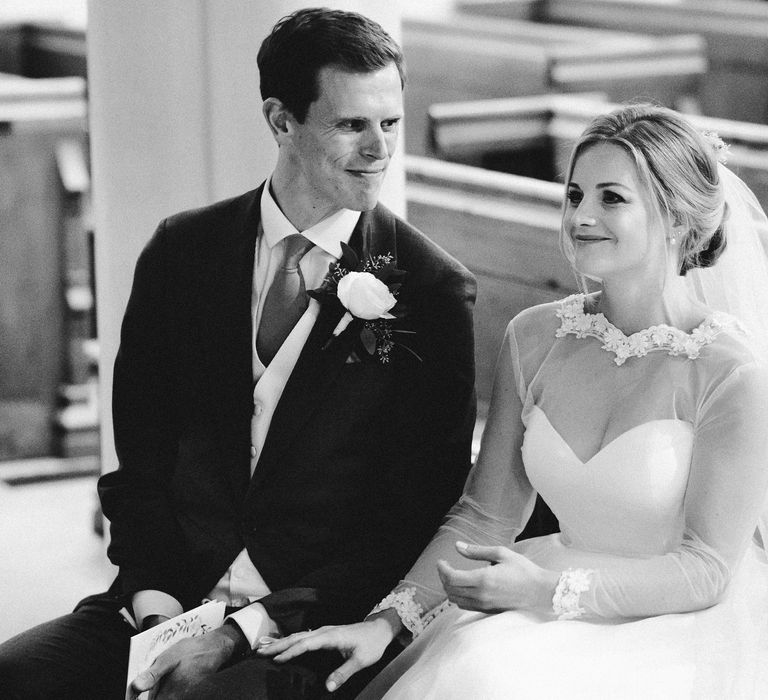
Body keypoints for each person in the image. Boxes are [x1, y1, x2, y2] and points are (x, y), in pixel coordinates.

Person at [0, 8, 477, 699]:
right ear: (281, 121)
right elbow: (140, 460)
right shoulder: (182, 253)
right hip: (167, 598)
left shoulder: (430, 291)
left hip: (306, 622)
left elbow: (412, 514)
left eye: (391, 123)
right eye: (352, 125)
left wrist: (239, 632)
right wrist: (158, 607)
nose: (380, 149)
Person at [260, 104, 768, 699]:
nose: (581, 216)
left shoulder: (730, 372)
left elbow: (705, 569)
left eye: (612, 198)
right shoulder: (534, 337)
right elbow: (486, 514)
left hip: (680, 629)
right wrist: (386, 624)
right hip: (540, 592)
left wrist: (549, 592)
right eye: (576, 194)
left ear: (678, 218)